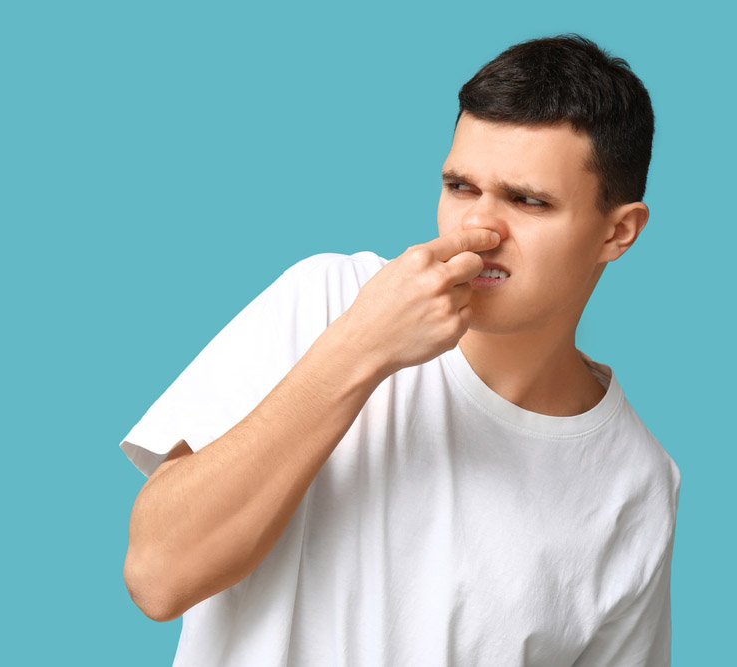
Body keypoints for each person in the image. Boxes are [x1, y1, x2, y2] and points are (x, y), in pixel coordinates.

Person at [120, 34, 681, 666]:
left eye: (528, 201)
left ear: (619, 231)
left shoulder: (636, 483)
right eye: (461, 187)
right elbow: (157, 575)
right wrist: (360, 348)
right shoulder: (329, 300)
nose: (480, 229)